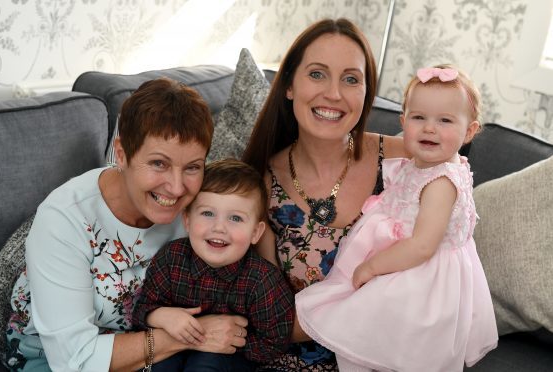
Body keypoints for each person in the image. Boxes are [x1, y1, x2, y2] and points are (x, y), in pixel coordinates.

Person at [5, 78, 249, 372]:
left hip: (148, 353)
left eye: (192, 167)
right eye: (159, 163)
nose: (175, 187)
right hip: (53, 359)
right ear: (121, 154)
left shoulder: (201, 209)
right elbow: (74, 361)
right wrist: (192, 336)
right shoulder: (64, 219)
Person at [295, 65, 499, 371]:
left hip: (418, 277)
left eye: (445, 120)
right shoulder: (423, 165)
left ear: (469, 131)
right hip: (402, 261)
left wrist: (373, 266)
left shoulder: (442, 182)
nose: (430, 128)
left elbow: (421, 247)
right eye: (419, 118)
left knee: (380, 336)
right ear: (403, 122)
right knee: (361, 325)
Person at [242, 18, 407, 370]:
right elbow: (270, 314)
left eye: (351, 79)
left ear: (367, 93)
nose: (333, 93)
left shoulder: (402, 161)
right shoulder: (262, 183)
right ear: (289, 86)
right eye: (317, 74)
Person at [132, 159, 295, 371]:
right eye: (207, 213)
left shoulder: (262, 280)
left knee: (206, 364)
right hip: (171, 346)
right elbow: (141, 311)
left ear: (255, 232)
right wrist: (160, 315)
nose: (219, 227)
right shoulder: (171, 259)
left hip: (227, 356)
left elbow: (275, 341)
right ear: (187, 221)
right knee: (158, 365)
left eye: (235, 218)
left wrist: (232, 342)